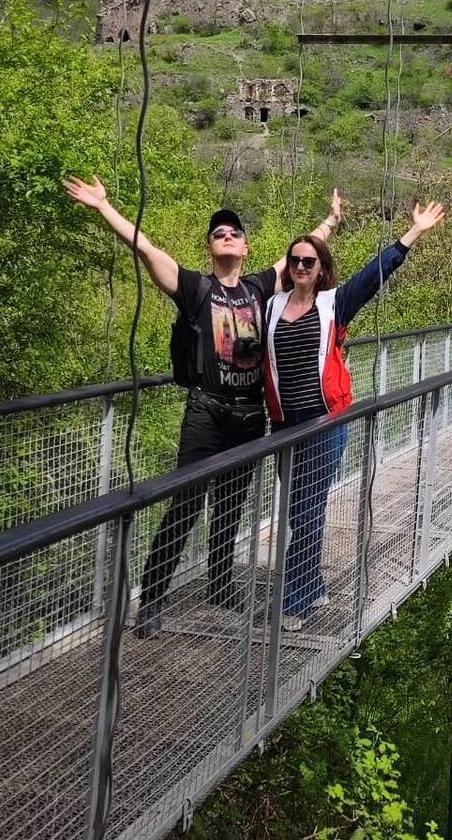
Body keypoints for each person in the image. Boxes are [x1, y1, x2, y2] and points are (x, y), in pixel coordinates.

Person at [63, 175, 340, 638]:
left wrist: (330, 221)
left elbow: (304, 252)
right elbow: (147, 249)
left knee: (230, 505)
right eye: (218, 233)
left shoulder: (259, 288)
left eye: (234, 232)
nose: (226, 236)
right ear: (210, 248)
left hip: (251, 416)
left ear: (246, 247)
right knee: (185, 504)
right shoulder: (195, 289)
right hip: (207, 411)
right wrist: (103, 208)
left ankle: (220, 583)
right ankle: (152, 599)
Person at [264, 200, 446, 632]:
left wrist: (412, 233)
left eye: (309, 261)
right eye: (295, 261)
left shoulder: (333, 305)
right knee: (299, 509)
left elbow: (372, 276)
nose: (301, 266)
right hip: (284, 423)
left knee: (307, 507)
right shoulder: (269, 307)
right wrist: (326, 222)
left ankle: (295, 601)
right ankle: (313, 582)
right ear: (287, 267)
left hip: (326, 422)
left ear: (321, 268)